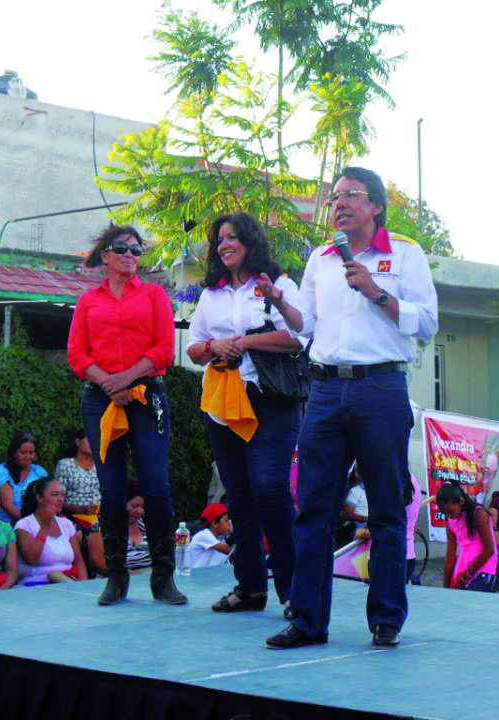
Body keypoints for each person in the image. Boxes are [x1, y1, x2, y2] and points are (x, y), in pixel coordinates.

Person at [261, 166, 439, 649]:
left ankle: (386, 618)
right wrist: (280, 302)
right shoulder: (321, 257)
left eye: (350, 195)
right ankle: (307, 620)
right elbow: (305, 325)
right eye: (334, 197)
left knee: (385, 506)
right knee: (313, 509)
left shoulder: (405, 252)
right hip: (323, 390)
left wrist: (376, 292)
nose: (338, 204)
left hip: (380, 386)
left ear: (376, 205)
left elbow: (428, 323)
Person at [187, 212, 302, 615]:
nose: (225, 245)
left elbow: (300, 337)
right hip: (222, 402)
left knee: (270, 489)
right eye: (220, 240)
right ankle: (251, 587)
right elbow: (194, 347)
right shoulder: (211, 294)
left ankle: (293, 590)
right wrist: (214, 348)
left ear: (250, 242)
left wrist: (246, 342)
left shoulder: (277, 284)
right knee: (238, 495)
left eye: (232, 237)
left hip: (271, 400)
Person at [67, 224, 184, 606]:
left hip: (146, 395)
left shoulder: (154, 295)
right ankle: (116, 577)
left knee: (156, 484)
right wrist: (110, 384)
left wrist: (126, 379)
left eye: (137, 250)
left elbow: (164, 349)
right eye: (123, 248)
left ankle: (163, 578)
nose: (131, 255)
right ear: (106, 255)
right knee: (111, 488)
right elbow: (77, 355)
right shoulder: (89, 301)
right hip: (101, 398)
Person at [14, 478, 87, 584]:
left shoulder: (66, 524)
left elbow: (79, 561)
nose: (60, 499)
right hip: (36, 584)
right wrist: (45, 525)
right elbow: (31, 559)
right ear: (40, 498)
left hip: (67, 583)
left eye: (62, 495)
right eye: (55, 494)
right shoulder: (24, 525)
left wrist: (83, 585)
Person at [54, 430, 105, 575]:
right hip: (73, 516)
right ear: (77, 442)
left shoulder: (102, 464)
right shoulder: (66, 465)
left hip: (100, 514)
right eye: (89, 439)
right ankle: (87, 572)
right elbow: (58, 499)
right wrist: (80, 509)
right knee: (81, 534)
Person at [438, 481, 498, 592]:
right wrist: (445, 589)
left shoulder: (479, 514)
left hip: (484, 569)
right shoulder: (450, 521)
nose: (449, 516)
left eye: (450, 512)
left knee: (471, 598)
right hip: (463, 568)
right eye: (445, 513)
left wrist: (467, 575)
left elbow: (489, 550)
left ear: (461, 501)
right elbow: (450, 557)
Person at [0, 431, 48, 524]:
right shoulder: (2, 471)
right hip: (7, 525)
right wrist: (30, 524)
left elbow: (45, 502)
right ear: (14, 453)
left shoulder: (40, 473)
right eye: (23, 452)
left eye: (31, 452)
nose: (28, 457)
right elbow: (7, 505)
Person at [187, 503, 233, 569]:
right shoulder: (204, 535)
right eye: (226, 520)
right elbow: (228, 550)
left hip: (209, 574)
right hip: (196, 574)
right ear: (215, 524)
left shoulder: (221, 540)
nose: (229, 523)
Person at [124, 495, 151, 572]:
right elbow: (100, 562)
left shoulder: (146, 525)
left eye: (143, 507)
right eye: (135, 506)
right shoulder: (107, 528)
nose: (140, 511)